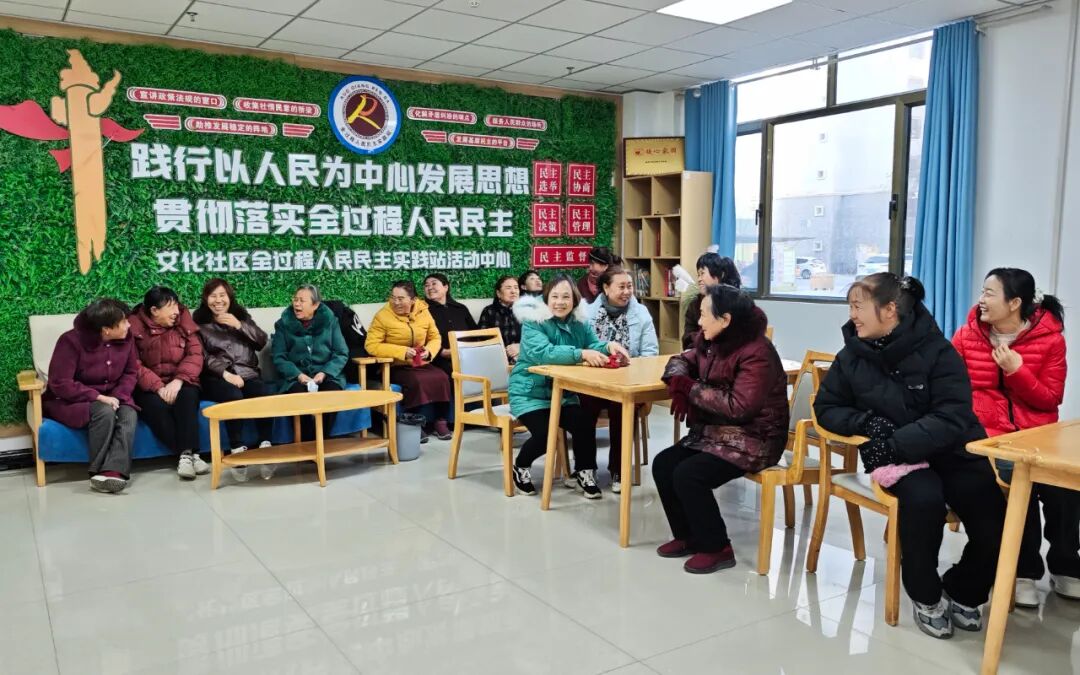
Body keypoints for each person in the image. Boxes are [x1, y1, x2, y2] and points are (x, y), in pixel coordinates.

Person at [814, 273, 1006, 640]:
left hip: (951, 449)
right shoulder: (851, 355)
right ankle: (925, 594)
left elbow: (952, 415)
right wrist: (866, 422)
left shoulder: (939, 351)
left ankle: (965, 588)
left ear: (889, 310)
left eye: (858, 307)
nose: (852, 315)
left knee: (993, 517)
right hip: (902, 461)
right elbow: (827, 408)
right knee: (923, 501)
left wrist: (895, 443)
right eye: (851, 307)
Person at [952, 268, 1075, 607]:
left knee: (1065, 485)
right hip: (989, 437)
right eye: (983, 291)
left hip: (1037, 433)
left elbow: (1050, 398)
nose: (981, 300)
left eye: (990, 293)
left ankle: (1066, 563)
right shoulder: (966, 336)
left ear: (1015, 302)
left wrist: (1017, 371)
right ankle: (1024, 570)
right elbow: (952, 390)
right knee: (1021, 479)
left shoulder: (1051, 340)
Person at [654, 285, 788, 574]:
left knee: (689, 474)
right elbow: (681, 359)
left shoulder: (757, 352)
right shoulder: (711, 341)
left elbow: (739, 407)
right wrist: (679, 381)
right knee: (663, 464)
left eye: (704, 315)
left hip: (756, 439)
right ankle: (688, 536)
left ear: (725, 319)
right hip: (716, 433)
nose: (699, 321)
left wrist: (690, 389)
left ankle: (717, 547)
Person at [508, 274, 629, 498]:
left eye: (566, 297)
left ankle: (584, 472)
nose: (560, 302)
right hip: (529, 393)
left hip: (562, 393)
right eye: (554, 296)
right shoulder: (533, 321)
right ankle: (521, 466)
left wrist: (608, 346)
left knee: (584, 424)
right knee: (545, 434)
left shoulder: (579, 321)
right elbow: (543, 353)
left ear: (574, 300)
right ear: (546, 298)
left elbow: (592, 344)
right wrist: (581, 354)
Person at [43, 299, 139, 493]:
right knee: (104, 412)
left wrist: (118, 396)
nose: (129, 325)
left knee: (129, 414)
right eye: (124, 322)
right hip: (71, 400)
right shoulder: (70, 341)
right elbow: (61, 383)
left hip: (114, 396)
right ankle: (97, 472)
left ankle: (113, 472)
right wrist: (98, 397)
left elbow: (131, 373)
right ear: (106, 330)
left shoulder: (127, 339)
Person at [583, 265, 659, 493]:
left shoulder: (641, 313)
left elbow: (650, 353)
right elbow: (582, 348)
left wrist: (632, 371)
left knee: (622, 406)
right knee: (583, 407)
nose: (627, 292)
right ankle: (586, 468)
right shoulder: (587, 313)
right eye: (621, 287)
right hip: (594, 382)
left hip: (628, 382)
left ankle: (619, 469)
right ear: (606, 288)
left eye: (629, 286)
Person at [194, 278, 274, 482]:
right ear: (205, 299)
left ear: (229, 297)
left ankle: (266, 445)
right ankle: (237, 449)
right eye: (213, 296)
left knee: (263, 393)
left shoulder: (242, 317)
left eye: (222, 295)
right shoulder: (199, 324)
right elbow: (203, 357)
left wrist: (239, 325)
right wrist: (226, 374)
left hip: (247, 373)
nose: (218, 300)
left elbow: (261, 341)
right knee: (232, 395)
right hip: (216, 377)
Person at [128, 286, 206, 480]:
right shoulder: (134, 328)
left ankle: (186, 456)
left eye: (177, 306)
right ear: (154, 310)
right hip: (148, 386)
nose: (176, 312)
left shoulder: (184, 324)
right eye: (170, 307)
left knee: (188, 397)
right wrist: (158, 387)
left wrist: (178, 381)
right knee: (156, 408)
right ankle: (189, 454)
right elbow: (133, 363)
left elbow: (195, 354)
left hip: (182, 380)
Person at [365, 280, 452, 442]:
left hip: (420, 362)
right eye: (393, 298)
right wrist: (402, 352)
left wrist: (429, 351)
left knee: (442, 377)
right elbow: (371, 345)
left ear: (413, 300)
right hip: (395, 365)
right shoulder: (383, 316)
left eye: (401, 299)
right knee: (415, 381)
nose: (396, 302)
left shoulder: (423, 311)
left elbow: (435, 337)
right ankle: (413, 423)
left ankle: (440, 421)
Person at [271, 284, 348, 444]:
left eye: (302, 301)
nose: (297, 304)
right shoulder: (283, 324)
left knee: (331, 394)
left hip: (327, 374)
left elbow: (341, 352)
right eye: (295, 299)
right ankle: (307, 443)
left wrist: (325, 372)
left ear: (315, 305)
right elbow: (279, 357)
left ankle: (322, 441)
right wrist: (298, 375)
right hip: (295, 376)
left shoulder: (331, 321)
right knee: (298, 396)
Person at [423, 272, 478, 384]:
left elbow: (475, 333)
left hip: (467, 354)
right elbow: (420, 338)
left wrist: (471, 350)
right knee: (454, 373)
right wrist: (442, 352)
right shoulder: (422, 311)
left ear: (446, 287)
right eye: (426, 285)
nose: (430, 287)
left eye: (434, 284)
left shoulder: (460, 308)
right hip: (439, 358)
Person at [682, 253, 741, 349]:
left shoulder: (735, 303)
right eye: (698, 275)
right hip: (701, 355)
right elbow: (687, 340)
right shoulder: (694, 305)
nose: (699, 279)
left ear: (719, 275)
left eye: (702, 273)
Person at [478, 275, 522, 364]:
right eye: (508, 288)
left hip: (524, 357)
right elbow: (481, 340)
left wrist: (520, 347)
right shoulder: (489, 312)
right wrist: (504, 351)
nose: (513, 291)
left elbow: (536, 339)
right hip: (496, 359)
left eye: (516, 288)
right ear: (498, 293)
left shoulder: (527, 311)